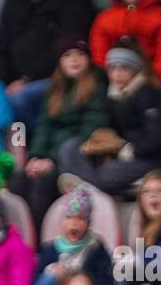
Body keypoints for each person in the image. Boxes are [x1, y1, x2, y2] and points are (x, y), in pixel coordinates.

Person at [12, 38, 109, 230]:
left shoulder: (97, 87)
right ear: (60, 61)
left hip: (75, 157)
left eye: (80, 55)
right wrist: (35, 157)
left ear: (89, 60)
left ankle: (40, 239)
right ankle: (21, 237)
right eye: (67, 55)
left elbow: (92, 129)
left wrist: (51, 161)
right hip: (49, 157)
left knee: (41, 184)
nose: (74, 60)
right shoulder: (55, 89)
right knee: (19, 180)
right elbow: (43, 126)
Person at [58, 37, 161, 196]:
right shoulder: (112, 95)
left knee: (106, 174)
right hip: (119, 153)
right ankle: (86, 190)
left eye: (124, 68)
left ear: (136, 69)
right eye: (113, 68)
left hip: (149, 159)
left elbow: (156, 137)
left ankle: (86, 194)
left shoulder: (150, 94)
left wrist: (130, 150)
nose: (117, 74)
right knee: (70, 149)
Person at [0, 0, 96, 129]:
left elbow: (66, 49)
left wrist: (27, 79)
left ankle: (34, 150)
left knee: (19, 100)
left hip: (56, 79)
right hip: (13, 81)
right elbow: (1, 43)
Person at [25, 185, 118, 285]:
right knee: (51, 278)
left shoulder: (96, 247)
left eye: (80, 218)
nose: (73, 223)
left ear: (88, 223)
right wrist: (51, 270)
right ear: (61, 222)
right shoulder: (50, 249)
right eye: (68, 218)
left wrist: (75, 278)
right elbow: (34, 284)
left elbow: (106, 282)